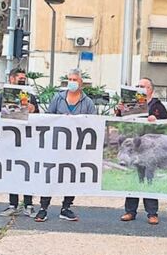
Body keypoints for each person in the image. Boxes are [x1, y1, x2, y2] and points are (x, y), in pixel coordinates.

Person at [34, 68, 97, 222]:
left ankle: (66, 207)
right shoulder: (58, 98)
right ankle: (43, 208)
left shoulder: (87, 102)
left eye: (75, 80)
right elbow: (48, 118)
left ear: (81, 83)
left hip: (76, 147)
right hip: (57, 144)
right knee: (51, 175)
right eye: (70, 79)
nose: (72, 82)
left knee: (71, 176)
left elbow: (93, 122)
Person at [118, 77, 167, 225]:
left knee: (149, 178)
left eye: (143, 86)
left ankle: (152, 213)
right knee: (135, 178)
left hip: (149, 149)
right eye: (138, 86)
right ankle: (130, 211)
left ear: (150, 89)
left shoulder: (158, 106)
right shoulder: (131, 104)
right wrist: (119, 111)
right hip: (133, 147)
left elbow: (166, 125)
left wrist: (156, 121)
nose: (140, 88)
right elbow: (119, 119)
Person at [0, 69, 39, 218]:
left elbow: (39, 119)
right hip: (8, 142)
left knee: (27, 172)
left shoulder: (31, 98)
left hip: (27, 141)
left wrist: (34, 110)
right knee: (12, 173)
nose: (22, 81)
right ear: (11, 79)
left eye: (24, 79)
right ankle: (12, 204)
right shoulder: (0, 98)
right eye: (20, 78)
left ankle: (28, 204)